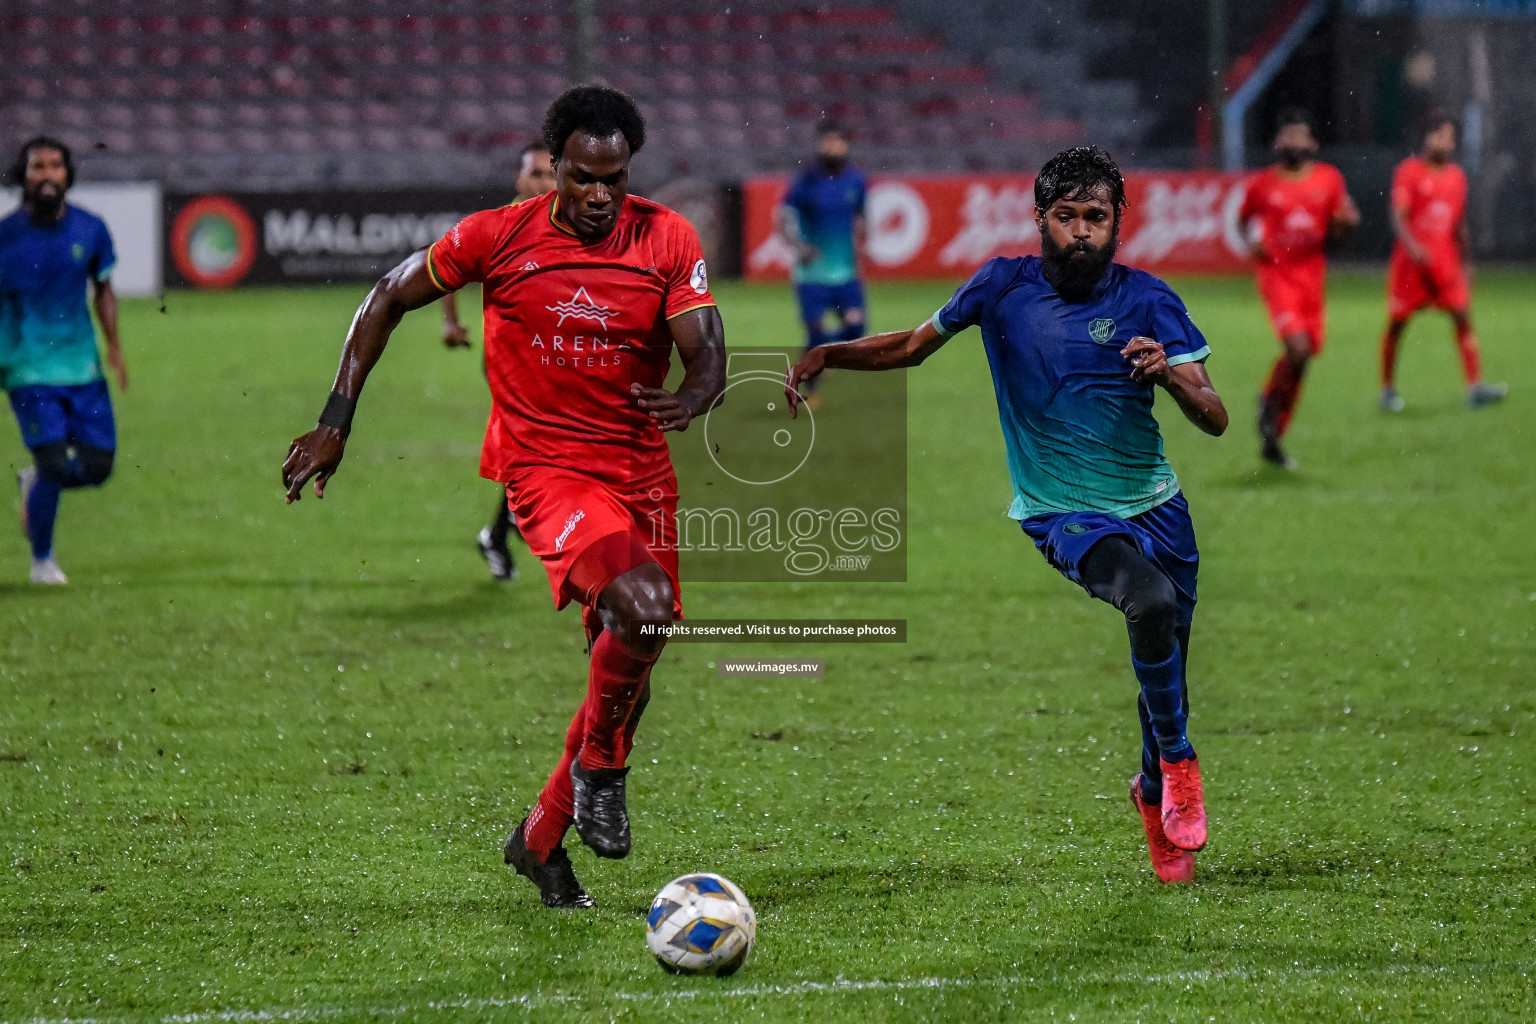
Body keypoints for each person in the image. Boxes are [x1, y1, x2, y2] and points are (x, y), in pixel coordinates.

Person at [282, 86, 726, 909]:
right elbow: (387, 295)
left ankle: (540, 839)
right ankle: (601, 772)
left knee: (632, 661)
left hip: (641, 473)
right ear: (551, 168)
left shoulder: (667, 236)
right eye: (584, 178)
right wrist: (335, 420)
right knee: (646, 607)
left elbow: (707, 349)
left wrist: (698, 393)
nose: (600, 195)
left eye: (615, 179)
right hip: (549, 471)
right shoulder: (498, 235)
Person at [787, 146, 1228, 885]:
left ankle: (1153, 792)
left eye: (1096, 217)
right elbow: (911, 345)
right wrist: (830, 351)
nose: (1081, 232)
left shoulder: (1151, 299)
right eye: (1067, 217)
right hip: (1064, 512)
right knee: (1145, 601)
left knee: (1168, 663)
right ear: (1041, 219)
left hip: (1159, 508)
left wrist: (1171, 380)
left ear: (1119, 222)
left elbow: (1213, 415)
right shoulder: (1001, 285)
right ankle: (1182, 767)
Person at [0, 136, 126, 585]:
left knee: (98, 468)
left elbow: (104, 289)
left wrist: (114, 345)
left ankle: (33, 485)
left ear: (68, 174)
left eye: (55, 166)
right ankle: (42, 560)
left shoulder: (91, 229)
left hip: (83, 369)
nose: (47, 174)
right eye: (38, 166)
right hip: (26, 369)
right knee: (55, 464)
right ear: (24, 175)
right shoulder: (4, 237)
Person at [438, 141, 557, 581]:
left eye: (551, 174)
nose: (544, 183)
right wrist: (452, 326)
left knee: (543, 453)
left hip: (561, 361)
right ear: (519, 178)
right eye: (536, 174)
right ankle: (519, 522)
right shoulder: (499, 228)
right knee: (540, 449)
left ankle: (504, 529)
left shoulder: (569, 224)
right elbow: (446, 270)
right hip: (512, 365)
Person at [1238, 108, 1360, 470]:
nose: (1293, 142)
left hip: (1312, 278)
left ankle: (1273, 432)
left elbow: (1341, 226)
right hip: (1278, 275)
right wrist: (1252, 242)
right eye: (1287, 135)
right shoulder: (1263, 184)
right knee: (1297, 347)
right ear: (1278, 142)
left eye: (1299, 135)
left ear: (1312, 143)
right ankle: (1267, 403)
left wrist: (1347, 223)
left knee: (1303, 360)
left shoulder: (1329, 179)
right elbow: (1242, 219)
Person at [1379, 110, 1507, 411]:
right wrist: (1413, 247)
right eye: (1440, 134)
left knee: (1462, 315)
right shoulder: (1409, 172)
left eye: (1450, 137)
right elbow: (1398, 217)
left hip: (1446, 262)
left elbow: (1458, 224)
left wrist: (1468, 262)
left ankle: (1475, 387)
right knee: (1397, 324)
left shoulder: (1456, 177)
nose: (1445, 142)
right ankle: (1387, 390)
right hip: (1411, 266)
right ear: (1426, 137)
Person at [777, 122, 867, 404]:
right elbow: (783, 218)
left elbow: (860, 216)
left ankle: (820, 358)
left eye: (838, 142)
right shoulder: (805, 182)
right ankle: (807, 387)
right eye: (827, 142)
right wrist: (798, 246)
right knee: (816, 332)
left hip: (845, 273)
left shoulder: (856, 181)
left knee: (856, 328)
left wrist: (860, 245)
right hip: (811, 275)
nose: (832, 148)